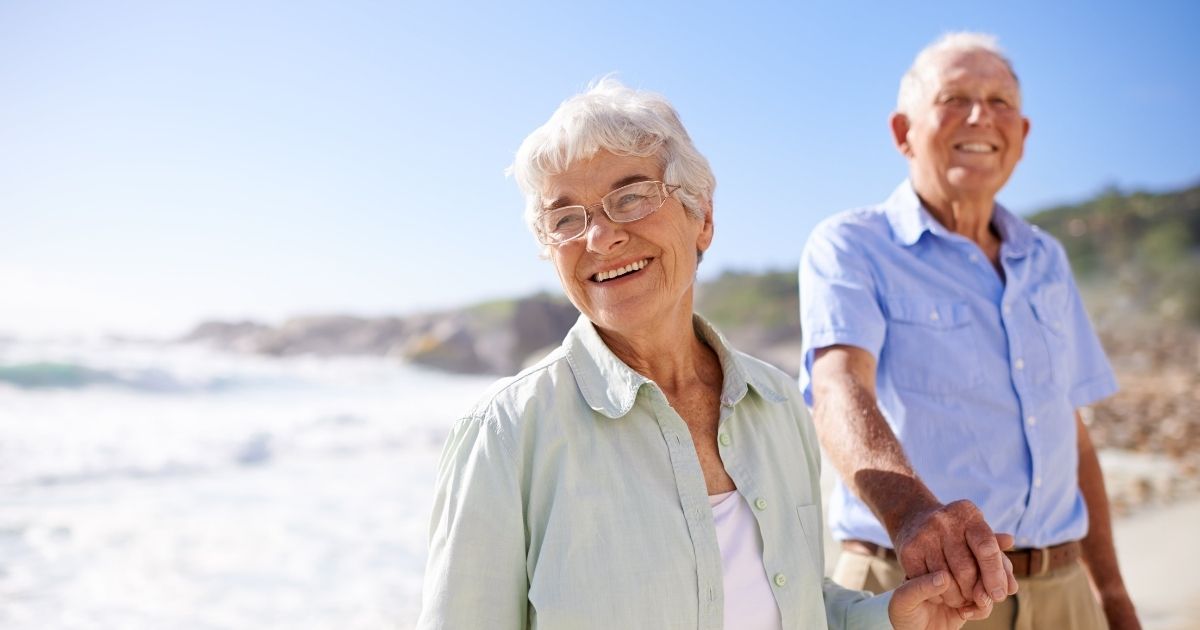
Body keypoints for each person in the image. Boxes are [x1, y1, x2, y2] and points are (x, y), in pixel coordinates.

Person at [417, 78, 1003, 629]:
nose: (600, 238)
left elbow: (793, 598)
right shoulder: (506, 431)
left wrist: (888, 617)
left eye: (631, 198)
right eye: (567, 218)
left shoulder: (776, 405)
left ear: (703, 217)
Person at [799, 32, 1139, 629]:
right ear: (903, 132)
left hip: (1066, 599)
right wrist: (913, 517)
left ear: (1023, 137)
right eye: (954, 97)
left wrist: (1112, 598)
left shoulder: (1047, 259)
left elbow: (1071, 435)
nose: (981, 115)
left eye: (1000, 102)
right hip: (919, 592)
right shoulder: (852, 245)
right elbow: (838, 388)